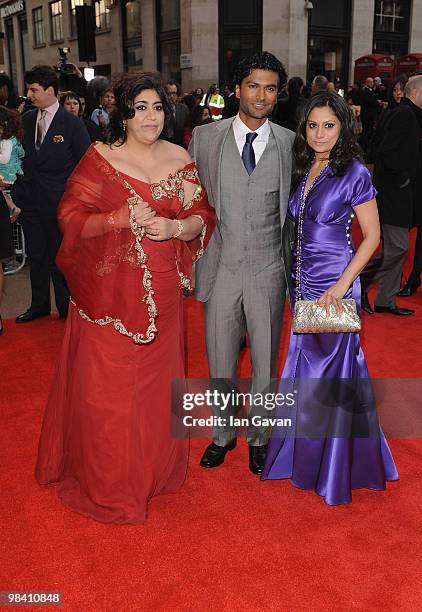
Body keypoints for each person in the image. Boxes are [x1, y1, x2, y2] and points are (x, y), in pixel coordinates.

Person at [34, 71, 216, 524]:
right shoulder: (101, 158)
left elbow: (201, 214)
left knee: (156, 391)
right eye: (140, 108)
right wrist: (118, 219)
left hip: (165, 293)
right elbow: (70, 215)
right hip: (108, 297)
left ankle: (154, 472)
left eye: (158, 107)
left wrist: (176, 228)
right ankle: (110, 482)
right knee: (108, 393)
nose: (150, 116)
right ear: (124, 114)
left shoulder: (180, 158)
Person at [261, 92, 398, 505]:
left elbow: (373, 237)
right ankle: (304, 457)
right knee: (306, 372)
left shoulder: (354, 172)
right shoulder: (305, 167)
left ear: (344, 128)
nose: (320, 133)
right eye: (313, 125)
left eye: (329, 125)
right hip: (303, 284)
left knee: (334, 374)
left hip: (334, 285)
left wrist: (340, 287)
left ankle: (336, 467)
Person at [189, 51, 294, 475]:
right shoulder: (205, 138)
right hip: (222, 265)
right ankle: (222, 434)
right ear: (236, 90)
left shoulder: (290, 142)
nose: (261, 95)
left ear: (277, 95)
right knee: (219, 359)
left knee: (266, 360)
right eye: (253, 85)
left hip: (270, 268)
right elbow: (189, 198)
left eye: (270, 88)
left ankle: (260, 437)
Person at [11, 65, 90, 323]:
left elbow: (86, 166)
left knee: (60, 256)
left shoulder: (72, 124)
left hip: (60, 205)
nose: (29, 95)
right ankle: (39, 305)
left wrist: (76, 201)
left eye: (34, 90)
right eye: (28, 89)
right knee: (37, 255)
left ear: (50, 90)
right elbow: (17, 159)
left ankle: (67, 309)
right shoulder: (25, 120)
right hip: (30, 202)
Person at [361, 75, 422, 316]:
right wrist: (402, 180)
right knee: (398, 247)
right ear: (416, 93)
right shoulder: (405, 115)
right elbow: (384, 151)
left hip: (398, 194)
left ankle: (386, 300)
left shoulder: (403, 113)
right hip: (394, 194)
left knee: (396, 247)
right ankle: (359, 283)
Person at [360, 77, 382, 161]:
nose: (373, 84)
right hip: (367, 116)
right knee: (367, 132)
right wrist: (377, 103)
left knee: (367, 132)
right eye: (372, 82)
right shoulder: (366, 92)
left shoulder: (369, 91)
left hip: (368, 115)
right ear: (368, 83)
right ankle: (364, 148)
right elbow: (372, 102)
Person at [166, 81, 190, 146]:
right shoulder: (158, 110)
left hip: (180, 146)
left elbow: (188, 128)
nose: (171, 96)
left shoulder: (184, 109)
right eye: (168, 93)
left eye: (174, 93)